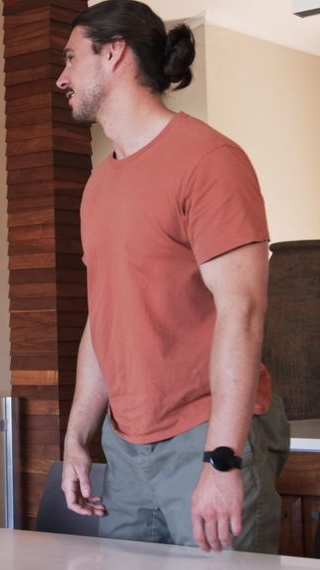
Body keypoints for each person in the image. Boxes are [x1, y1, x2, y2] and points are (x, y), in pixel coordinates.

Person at [55, 0, 290, 554]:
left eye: (70, 58)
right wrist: (77, 438)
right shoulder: (98, 185)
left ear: (113, 54)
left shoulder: (209, 161)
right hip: (128, 446)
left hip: (205, 435)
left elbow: (243, 310)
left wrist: (223, 458)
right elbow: (104, 318)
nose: (61, 78)